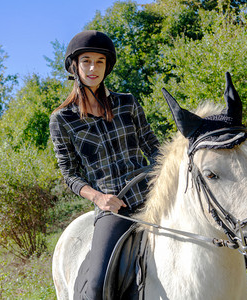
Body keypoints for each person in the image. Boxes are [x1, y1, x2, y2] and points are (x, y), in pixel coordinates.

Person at [49, 30, 159, 300]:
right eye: (86, 60)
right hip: (114, 208)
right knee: (97, 286)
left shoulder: (127, 103)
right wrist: (99, 198)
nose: (92, 68)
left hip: (151, 196)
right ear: (75, 66)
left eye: (99, 62)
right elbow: (70, 174)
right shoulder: (62, 120)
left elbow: (153, 148)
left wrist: (165, 180)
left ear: (107, 66)